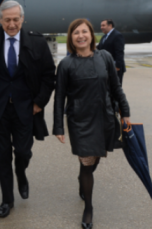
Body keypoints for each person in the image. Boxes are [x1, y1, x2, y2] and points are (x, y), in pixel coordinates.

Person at [0, 0, 56, 218]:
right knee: (3, 156)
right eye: (7, 20)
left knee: (23, 152)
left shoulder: (36, 42)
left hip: (26, 108)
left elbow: (48, 75)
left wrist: (39, 102)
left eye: (15, 19)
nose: (11, 24)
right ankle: (7, 199)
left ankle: (21, 172)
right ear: (0, 20)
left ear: (22, 19)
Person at [53, 19, 130, 229]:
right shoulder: (66, 64)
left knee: (93, 161)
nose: (80, 36)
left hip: (104, 118)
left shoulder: (105, 57)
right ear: (71, 38)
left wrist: (126, 112)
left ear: (91, 35)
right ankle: (88, 208)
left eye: (84, 31)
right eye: (76, 32)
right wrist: (58, 127)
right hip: (80, 121)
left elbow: (116, 88)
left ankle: (82, 175)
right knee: (88, 163)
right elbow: (59, 97)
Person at [97, 19, 126, 85]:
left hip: (115, 68)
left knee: (115, 88)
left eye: (103, 25)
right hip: (107, 67)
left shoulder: (117, 35)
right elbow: (99, 48)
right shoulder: (104, 36)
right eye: (101, 26)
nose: (101, 27)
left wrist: (118, 67)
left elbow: (119, 52)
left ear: (110, 25)